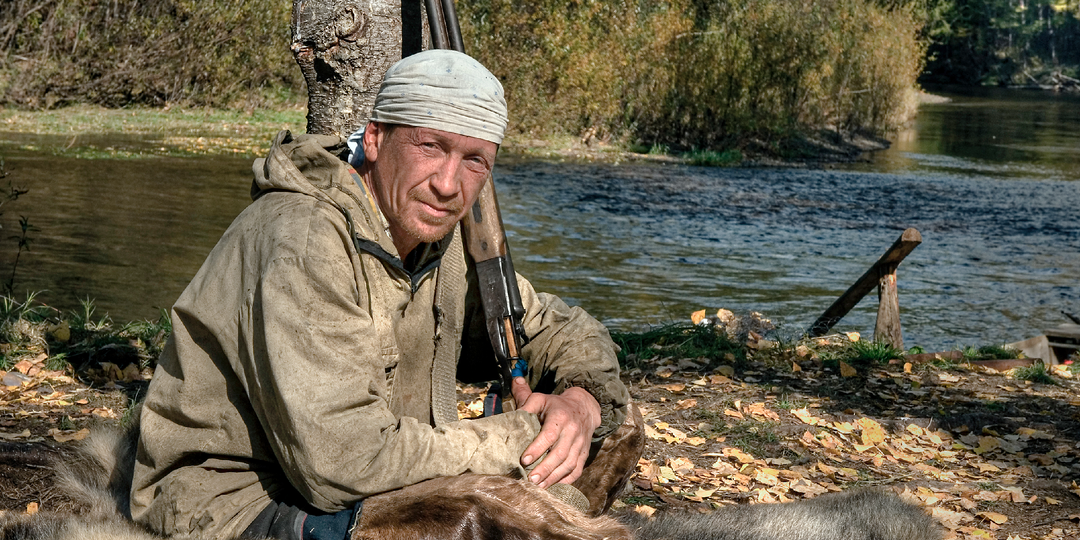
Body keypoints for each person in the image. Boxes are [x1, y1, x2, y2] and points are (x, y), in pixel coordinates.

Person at [130, 49, 640, 540]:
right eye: (430, 147)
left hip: (364, 477)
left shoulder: (437, 241)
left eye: (474, 161)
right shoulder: (304, 238)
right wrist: (527, 434)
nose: (448, 185)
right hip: (238, 502)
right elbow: (343, 463)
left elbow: (562, 329)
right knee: (478, 517)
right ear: (374, 138)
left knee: (614, 427)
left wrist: (580, 404)